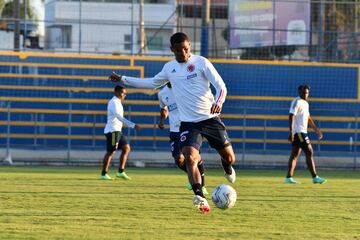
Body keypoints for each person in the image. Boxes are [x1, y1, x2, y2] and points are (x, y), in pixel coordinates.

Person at [109, 32, 236, 214]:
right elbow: (151, 83)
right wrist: (123, 79)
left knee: (230, 157)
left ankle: (227, 166)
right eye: (178, 50)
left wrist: (218, 101)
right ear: (172, 50)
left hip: (209, 119)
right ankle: (199, 195)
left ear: (190, 47)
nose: (183, 53)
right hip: (188, 124)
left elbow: (221, 86)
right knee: (190, 158)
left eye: (186, 49)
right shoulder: (169, 68)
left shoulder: (201, 62)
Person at [158, 82, 208, 195]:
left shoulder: (184, 86)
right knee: (178, 159)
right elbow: (163, 109)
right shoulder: (162, 94)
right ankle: (193, 176)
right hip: (174, 131)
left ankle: (201, 185)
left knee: (193, 157)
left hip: (189, 127)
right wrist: (161, 120)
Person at [284, 85, 326, 184]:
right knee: (309, 151)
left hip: (302, 132)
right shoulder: (296, 102)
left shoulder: (306, 104)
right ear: (299, 92)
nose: (305, 94)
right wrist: (291, 132)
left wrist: (316, 130)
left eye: (307, 93)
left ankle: (288, 178)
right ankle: (315, 177)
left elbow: (308, 118)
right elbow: (291, 115)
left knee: (294, 155)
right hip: (299, 132)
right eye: (303, 92)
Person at [100, 85, 140, 180]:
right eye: (123, 93)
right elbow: (119, 117)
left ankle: (120, 172)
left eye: (125, 93)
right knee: (111, 152)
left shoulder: (118, 102)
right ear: (117, 92)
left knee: (126, 148)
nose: (124, 95)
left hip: (117, 132)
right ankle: (103, 174)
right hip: (113, 132)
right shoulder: (113, 102)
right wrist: (132, 125)